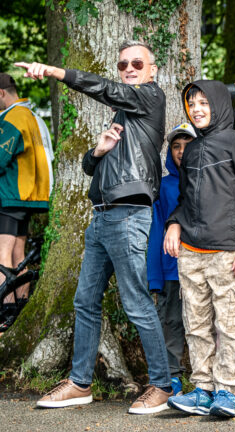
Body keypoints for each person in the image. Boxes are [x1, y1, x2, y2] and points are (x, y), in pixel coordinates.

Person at [19, 41, 175, 414]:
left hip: (129, 217)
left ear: (152, 70)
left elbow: (105, 88)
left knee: (136, 303)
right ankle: (79, 383)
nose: (129, 68)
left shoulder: (150, 97)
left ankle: (162, 385)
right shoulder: (122, 114)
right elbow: (92, 170)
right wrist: (98, 151)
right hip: (101, 217)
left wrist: (57, 72)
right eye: (123, 64)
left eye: (137, 63)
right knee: (84, 302)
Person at [164, 80, 235, 417]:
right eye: (191, 103)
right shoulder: (191, 149)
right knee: (196, 325)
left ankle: (226, 392)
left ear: (220, 104)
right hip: (192, 254)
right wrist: (174, 223)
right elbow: (184, 199)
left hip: (228, 254)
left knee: (230, 326)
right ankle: (203, 390)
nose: (196, 109)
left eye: (203, 102)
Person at [0, 73, 53, 331]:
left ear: (1, 93)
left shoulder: (13, 117)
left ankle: (5, 311)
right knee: (18, 254)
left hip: (9, 195)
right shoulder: (31, 115)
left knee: (1, 254)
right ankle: (20, 307)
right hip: (27, 197)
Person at [146, 123, 196, 397]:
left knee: (202, 322)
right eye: (176, 146)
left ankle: (205, 375)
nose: (181, 151)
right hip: (170, 269)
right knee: (172, 323)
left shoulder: (209, 180)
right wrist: (154, 276)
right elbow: (156, 231)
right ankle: (172, 375)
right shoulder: (164, 187)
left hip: (202, 265)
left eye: (187, 145)